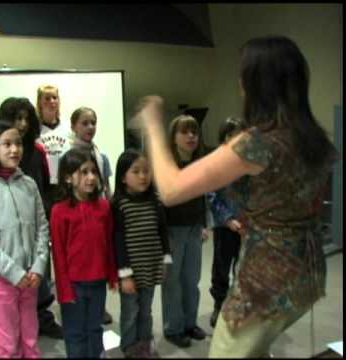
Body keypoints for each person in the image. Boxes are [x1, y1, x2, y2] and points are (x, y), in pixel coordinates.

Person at [134, 35, 337, 358]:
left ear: (257, 83)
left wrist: (153, 126)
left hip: (266, 279)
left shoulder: (258, 143)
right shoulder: (314, 139)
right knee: (256, 347)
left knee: (229, 351)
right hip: (308, 272)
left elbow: (171, 189)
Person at [0, 120, 50, 358]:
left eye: (18, 143)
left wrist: (38, 266)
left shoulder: (28, 184)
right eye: (7, 144)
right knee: (8, 344)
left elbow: (42, 228)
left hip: (31, 277)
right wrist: (13, 272)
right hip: (1, 279)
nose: (14, 149)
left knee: (31, 339)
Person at [0, 97, 63, 339]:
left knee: (40, 274)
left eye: (26, 118)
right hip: (9, 226)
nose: (22, 124)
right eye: (17, 118)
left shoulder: (36, 150)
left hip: (36, 222)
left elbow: (43, 184)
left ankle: (43, 319)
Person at [50, 148, 118, 358]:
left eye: (93, 172)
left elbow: (109, 243)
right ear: (68, 178)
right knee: (75, 333)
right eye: (83, 172)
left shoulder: (104, 207)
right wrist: (64, 290)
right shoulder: (59, 211)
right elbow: (59, 255)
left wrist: (112, 275)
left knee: (95, 328)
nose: (90, 177)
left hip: (97, 282)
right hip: (74, 286)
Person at [111, 149, 172, 358]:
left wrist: (166, 259)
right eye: (136, 171)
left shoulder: (155, 201)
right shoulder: (119, 204)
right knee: (130, 312)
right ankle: (129, 346)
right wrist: (125, 274)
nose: (143, 176)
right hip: (130, 270)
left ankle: (144, 345)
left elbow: (162, 231)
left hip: (151, 265)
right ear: (123, 177)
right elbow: (117, 241)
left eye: (146, 171)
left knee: (146, 310)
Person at [161, 114, 208, 348]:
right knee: (173, 282)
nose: (191, 136)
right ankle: (173, 328)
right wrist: (163, 238)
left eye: (194, 132)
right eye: (185, 132)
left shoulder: (199, 163)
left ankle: (190, 323)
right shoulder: (166, 165)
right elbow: (160, 203)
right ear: (174, 136)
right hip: (172, 231)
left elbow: (202, 198)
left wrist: (204, 225)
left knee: (192, 280)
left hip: (194, 229)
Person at [206, 116, 244, 328]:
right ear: (223, 138)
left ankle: (239, 306)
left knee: (244, 268)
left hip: (247, 227)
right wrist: (228, 219)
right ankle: (219, 305)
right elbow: (212, 196)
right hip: (225, 228)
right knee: (221, 268)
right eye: (231, 135)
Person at [70, 106, 113, 198]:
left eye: (93, 123)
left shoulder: (102, 158)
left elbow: (107, 188)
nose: (90, 127)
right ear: (73, 127)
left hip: (99, 206)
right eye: (85, 124)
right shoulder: (67, 158)